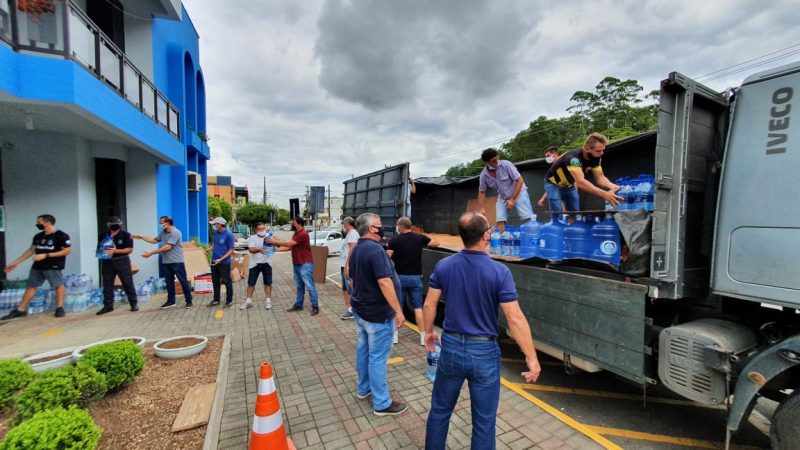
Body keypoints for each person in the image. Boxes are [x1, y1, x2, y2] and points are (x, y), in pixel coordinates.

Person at [422, 212, 541, 449]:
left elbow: (429, 303)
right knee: (484, 421)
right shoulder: (499, 272)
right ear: (486, 236)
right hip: (484, 352)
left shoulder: (444, 265)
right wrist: (531, 357)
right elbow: (514, 318)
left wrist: (428, 332)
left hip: (451, 347)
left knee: (440, 411)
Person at [348, 213, 407, 416]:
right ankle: (382, 403)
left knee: (364, 351)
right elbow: (385, 282)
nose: (383, 228)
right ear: (372, 229)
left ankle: (363, 389)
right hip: (377, 315)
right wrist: (398, 311)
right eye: (380, 225)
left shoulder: (356, 248)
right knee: (378, 358)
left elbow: (352, 279)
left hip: (362, 311)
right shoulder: (375, 250)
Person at [1, 214, 71, 320]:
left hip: (52, 266)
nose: (37, 224)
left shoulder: (61, 235)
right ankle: (21, 310)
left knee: (58, 285)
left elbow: (67, 251)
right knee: (31, 286)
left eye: (39, 222)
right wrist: (15, 262)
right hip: (37, 266)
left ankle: (59, 308)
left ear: (47, 222)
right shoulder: (38, 236)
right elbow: (31, 250)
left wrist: (46, 255)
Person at [386, 216, 440, 345]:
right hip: (416, 279)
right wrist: (424, 239)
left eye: (398, 226)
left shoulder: (394, 240)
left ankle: (394, 335)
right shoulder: (419, 238)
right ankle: (422, 337)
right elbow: (436, 243)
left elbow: (387, 258)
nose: (397, 228)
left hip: (399, 279)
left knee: (397, 307)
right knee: (418, 308)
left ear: (401, 226)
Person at [544, 132, 622, 213]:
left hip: (569, 185)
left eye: (603, 150)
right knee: (558, 212)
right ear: (587, 149)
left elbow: (600, 178)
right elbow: (580, 182)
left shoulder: (596, 157)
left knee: (574, 212)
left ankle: (573, 225)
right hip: (553, 184)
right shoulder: (573, 158)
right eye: (598, 151)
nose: (602, 153)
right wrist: (604, 194)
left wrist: (613, 187)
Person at [133, 216, 193, 309]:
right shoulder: (163, 232)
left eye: (162, 223)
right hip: (166, 262)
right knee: (169, 282)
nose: (160, 225)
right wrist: (142, 237)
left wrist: (151, 253)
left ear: (168, 222)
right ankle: (171, 301)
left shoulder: (175, 232)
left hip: (177, 261)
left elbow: (167, 247)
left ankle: (189, 301)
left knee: (183, 281)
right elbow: (154, 240)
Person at [268, 216, 319, 316]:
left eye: (294, 223)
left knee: (310, 286)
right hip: (298, 263)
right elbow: (290, 247)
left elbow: (289, 243)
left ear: (299, 224)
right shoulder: (296, 233)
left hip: (305, 264)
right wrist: (275, 250)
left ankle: (315, 306)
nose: (292, 225)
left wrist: (274, 242)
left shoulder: (303, 234)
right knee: (300, 286)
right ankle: (299, 304)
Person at [477, 148, 534, 233]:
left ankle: (532, 237)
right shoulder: (483, 175)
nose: (497, 162)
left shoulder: (507, 165)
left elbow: (520, 181)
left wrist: (513, 199)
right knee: (500, 219)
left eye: (497, 159)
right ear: (486, 163)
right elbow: (481, 192)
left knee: (527, 217)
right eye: (493, 161)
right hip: (503, 196)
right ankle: (504, 241)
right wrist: (481, 208)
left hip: (519, 192)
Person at [95, 216, 138, 315]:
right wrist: (102, 253)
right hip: (107, 262)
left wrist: (115, 251)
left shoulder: (126, 235)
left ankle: (134, 304)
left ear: (120, 225)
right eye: (112, 224)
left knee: (127, 283)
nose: (114, 226)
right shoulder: (103, 235)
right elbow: (99, 249)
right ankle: (108, 306)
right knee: (107, 284)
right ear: (108, 225)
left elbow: (130, 249)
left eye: (116, 224)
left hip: (122, 261)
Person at [242, 222, 273, 310]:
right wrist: (259, 250)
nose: (261, 230)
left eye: (263, 228)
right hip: (255, 264)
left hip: (267, 263)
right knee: (251, 283)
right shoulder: (253, 238)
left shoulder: (269, 237)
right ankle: (248, 301)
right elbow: (251, 250)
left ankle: (268, 301)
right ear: (256, 230)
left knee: (268, 283)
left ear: (265, 229)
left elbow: (275, 246)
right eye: (259, 229)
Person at [206, 217, 235, 307]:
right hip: (214, 261)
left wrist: (221, 259)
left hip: (224, 263)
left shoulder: (229, 235)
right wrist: (209, 249)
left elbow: (231, 250)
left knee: (227, 281)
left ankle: (229, 301)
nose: (214, 226)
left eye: (215, 224)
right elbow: (215, 244)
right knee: (215, 282)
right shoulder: (215, 233)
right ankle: (216, 300)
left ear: (220, 224)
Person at [338, 216, 359, 320]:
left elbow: (352, 250)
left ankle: (352, 311)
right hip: (344, 265)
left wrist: (347, 265)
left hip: (347, 265)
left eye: (344, 224)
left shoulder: (352, 234)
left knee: (350, 288)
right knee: (346, 288)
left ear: (347, 224)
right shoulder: (350, 234)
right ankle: (350, 308)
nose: (343, 227)